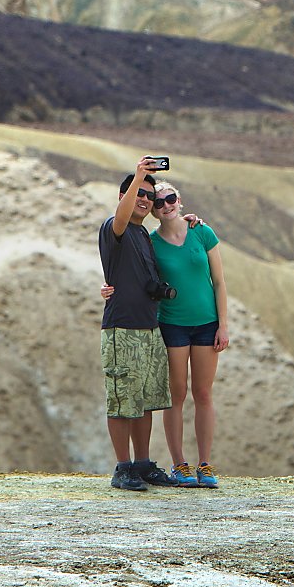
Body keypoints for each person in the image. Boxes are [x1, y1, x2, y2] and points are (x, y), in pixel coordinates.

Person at [97, 157, 179, 491]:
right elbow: (121, 216)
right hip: (122, 329)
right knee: (121, 401)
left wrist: (187, 221)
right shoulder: (113, 227)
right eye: (138, 194)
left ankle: (142, 464)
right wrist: (141, 174)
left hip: (149, 328)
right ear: (124, 196)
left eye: (150, 195)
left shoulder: (143, 235)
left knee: (144, 401)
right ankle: (123, 468)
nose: (145, 199)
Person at [146, 178, 229, 488]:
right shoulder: (151, 243)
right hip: (173, 324)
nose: (166, 206)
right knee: (176, 395)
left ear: (179, 201)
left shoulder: (202, 232)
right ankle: (180, 465)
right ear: (153, 210)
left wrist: (223, 324)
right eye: (159, 202)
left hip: (207, 324)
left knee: (204, 393)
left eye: (170, 199)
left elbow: (219, 282)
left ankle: (205, 465)